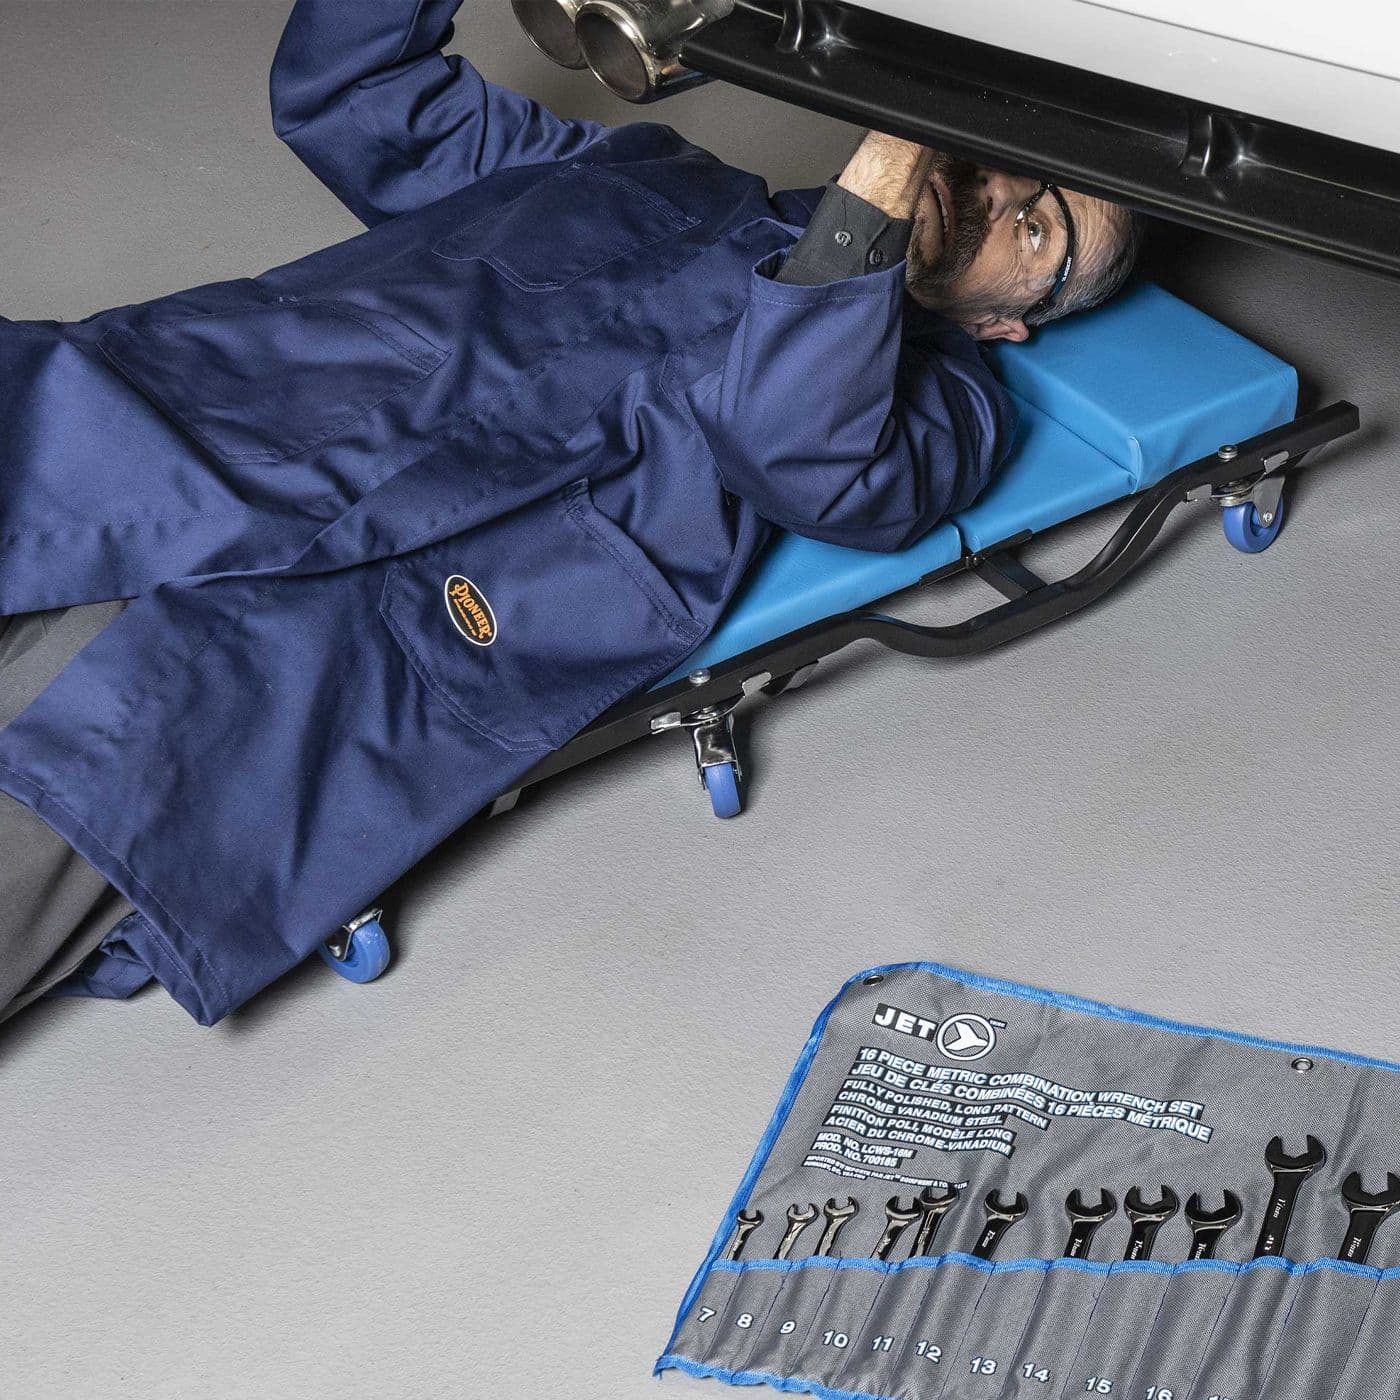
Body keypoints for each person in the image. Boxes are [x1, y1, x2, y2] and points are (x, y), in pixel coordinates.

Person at [0, 0, 1142, 1025]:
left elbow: (789, 445)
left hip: (298, 655)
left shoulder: (948, 409)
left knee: (76, 802)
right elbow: (353, 96)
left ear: (1007, 323)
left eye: (1034, 229)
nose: (993, 196)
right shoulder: (648, 174)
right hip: (145, 442)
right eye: (998, 163)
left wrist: (899, 131)